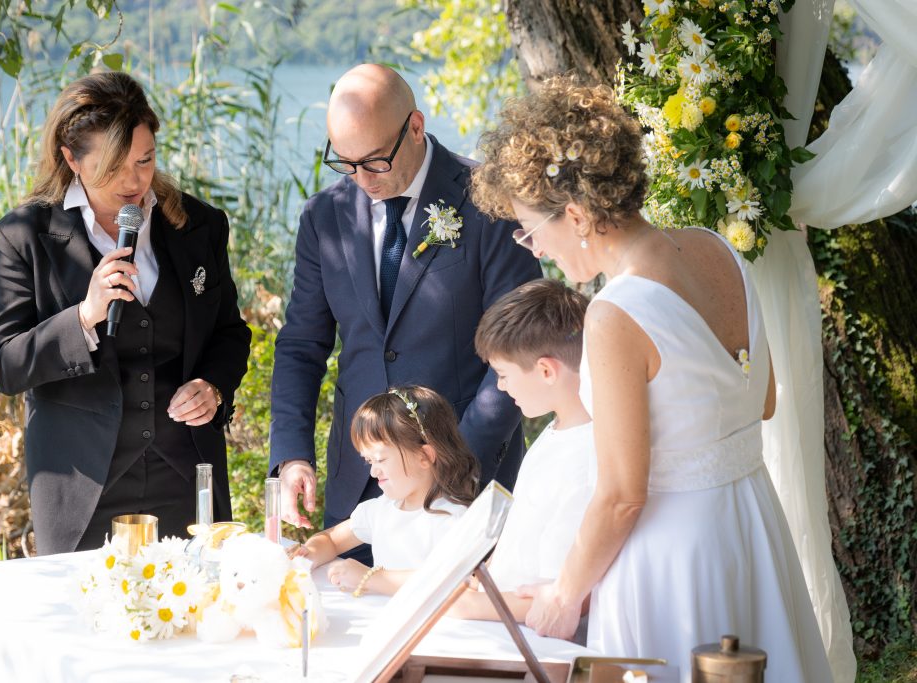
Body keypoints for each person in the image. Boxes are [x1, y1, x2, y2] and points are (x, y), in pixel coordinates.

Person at [469, 78, 832, 681]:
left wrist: (562, 595)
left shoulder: (615, 314)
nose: (538, 251)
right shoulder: (720, 252)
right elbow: (762, 401)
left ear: (579, 215)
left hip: (674, 559)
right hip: (752, 528)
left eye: (533, 231)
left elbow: (620, 496)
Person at [270, 64, 542, 546]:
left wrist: (454, 469)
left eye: (374, 161)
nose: (362, 180)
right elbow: (301, 346)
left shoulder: (489, 202)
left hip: (466, 484)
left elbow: (519, 348)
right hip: (359, 488)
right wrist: (292, 454)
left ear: (415, 127)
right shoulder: (323, 218)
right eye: (346, 163)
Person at [0, 72, 252, 555]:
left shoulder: (200, 225)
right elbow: (5, 365)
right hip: (82, 488)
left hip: (186, 479)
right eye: (113, 167)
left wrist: (213, 386)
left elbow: (230, 334)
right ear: (71, 158)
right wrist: (84, 316)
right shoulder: (22, 237)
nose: (134, 181)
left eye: (145, 160)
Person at [449, 279, 596, 631]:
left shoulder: (588, 455)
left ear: (546, 371)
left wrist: (469, 605)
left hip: (536, 636)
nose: (500, 386)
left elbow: (560, 589)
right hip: (502, 618)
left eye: (503, 374)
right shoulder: (555, 431)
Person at [290, 386, 479, 596]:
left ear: (424, 456)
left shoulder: (453, 518)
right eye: (368, 461)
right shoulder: (382, 509)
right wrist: (309, 554)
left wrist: (370, 578)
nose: (373, 471)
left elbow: (449, 581)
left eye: (380, 459)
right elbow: (332, 539)